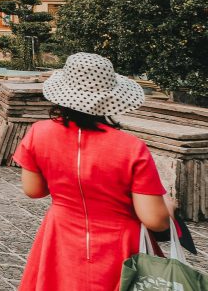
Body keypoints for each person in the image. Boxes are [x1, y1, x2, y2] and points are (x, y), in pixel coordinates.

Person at [13, 52, 173, 291]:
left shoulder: (39, 133)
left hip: (61, 238)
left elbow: (33, 190)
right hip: (119, 245)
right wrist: (170, 205)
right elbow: (155, 220)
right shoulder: (131, 148)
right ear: (110, 99)